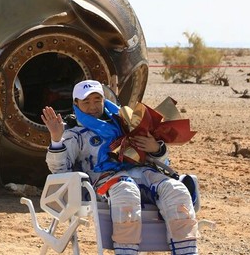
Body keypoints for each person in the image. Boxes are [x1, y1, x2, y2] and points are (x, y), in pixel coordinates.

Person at [41, 80, 199, 255]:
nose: (93, 106)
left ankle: (187, 252)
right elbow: (59, 169)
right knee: (126, 191)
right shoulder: (75, 134)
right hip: (105, 181)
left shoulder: (126, 122)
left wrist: (155, 148)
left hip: (142, 173)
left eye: (97, 100)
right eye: (86, 102)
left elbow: (162, 162)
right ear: (76, 104)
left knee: (176, 189)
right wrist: (56, 139)